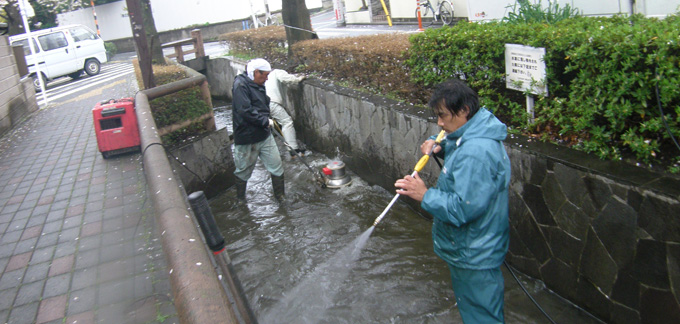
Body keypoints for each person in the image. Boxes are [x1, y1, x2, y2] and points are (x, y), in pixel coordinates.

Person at [394, 79, 511, 323]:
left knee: (481, 316)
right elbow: (462, 157)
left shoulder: (477, 153)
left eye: (443, 116)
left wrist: (424, 194)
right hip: (473, 248)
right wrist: (442, 148)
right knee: (477, 310)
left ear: (464, 111)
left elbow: (462, 208)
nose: (439, 123)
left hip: (474, 253)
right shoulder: (471, 134)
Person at [232, 58, 285, 201]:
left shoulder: (257, 83)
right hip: (246, 137)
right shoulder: (240, 85)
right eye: (264, 75)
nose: (266, 79)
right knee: (243, 171)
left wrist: (269, 121)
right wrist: (265, 121)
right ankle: (240, 200)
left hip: (264, 134)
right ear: (256, 72)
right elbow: (245, 110)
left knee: (276, 166)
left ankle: (281, 197)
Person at [265, 69, 306, 157]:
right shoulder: (276, 72)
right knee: (287, 122)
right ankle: (293, 150)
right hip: (272, 103)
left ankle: (269, 152)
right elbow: (286, 78)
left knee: (271, 126)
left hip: (262, 103)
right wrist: (298, 79)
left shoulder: (264, 76)